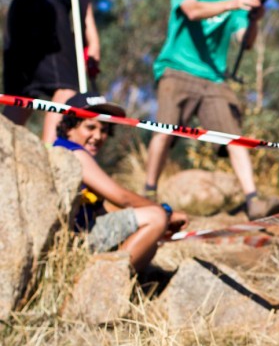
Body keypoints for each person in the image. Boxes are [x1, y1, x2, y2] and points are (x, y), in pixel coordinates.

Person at [143, 0, 279, 221]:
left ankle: (253, 201)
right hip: (176, 69)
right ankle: (149, 193)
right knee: (164, 131)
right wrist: (234, 3)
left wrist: (254, 20)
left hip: (214, 78)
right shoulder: (232, 1)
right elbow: (192, 11)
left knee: (235, 138)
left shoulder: (235, 3)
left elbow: (245, 42)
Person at [54, 92, 188, 272]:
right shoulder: (71, 152)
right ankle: (105, 280)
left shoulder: (69, 151)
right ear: (69, 128)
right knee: (155, 218)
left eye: (103, 130)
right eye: (90, 127)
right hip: (74, 240)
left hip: (79, 237)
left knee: (151, 236)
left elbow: (103, 209)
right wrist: (165, 212)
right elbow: (121, 197)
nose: (98, 136)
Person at [3, 0, 101, 143]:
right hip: (49, 14)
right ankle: (51, 154)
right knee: (66, 90)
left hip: (20, 12)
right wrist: (92, 44)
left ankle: (3, 146)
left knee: (21, 96)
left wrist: (92, 45)